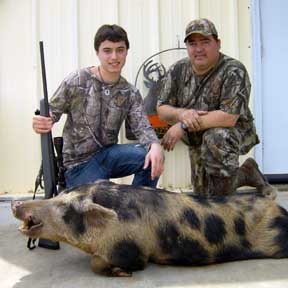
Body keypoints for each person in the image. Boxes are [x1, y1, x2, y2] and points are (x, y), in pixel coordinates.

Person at [33, 24, 164, 189]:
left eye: (120, 50)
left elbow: (143, 127)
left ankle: (136, 208)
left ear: (126, 52)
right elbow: (52, 112)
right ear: (97, 52)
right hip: (78, 165)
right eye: (107, 50)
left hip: (108, 156)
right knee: (102, 202)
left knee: (152, 156)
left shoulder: (130, 92)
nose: (114, 57)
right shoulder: (77, 80)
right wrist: (43, 121)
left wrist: (155, 145)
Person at [157, 18, 275, 196]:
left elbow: (228, 117)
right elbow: (161, 108)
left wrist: (183, 125)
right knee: (203, 195)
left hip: (232, 132)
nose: (198, 49)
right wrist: (182, 114)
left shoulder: (234, 70)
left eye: (205, 42)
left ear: (218, 43)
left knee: (216, 140)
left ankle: (226, 210)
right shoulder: (178, 70)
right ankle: (247, 173)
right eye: (192, 43)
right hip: (198, 139)